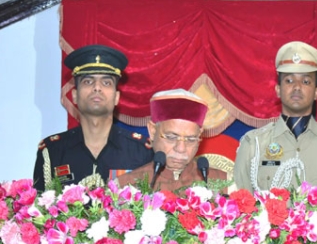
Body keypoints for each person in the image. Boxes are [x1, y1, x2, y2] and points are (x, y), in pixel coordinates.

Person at [234, 41, 317, 197]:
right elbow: (242, 210)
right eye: (289, 80)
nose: (297, 87)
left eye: (306, 81)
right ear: (278, 90)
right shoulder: (253, 145)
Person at [33, 44, 153, 191]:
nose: (97, 87)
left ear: (116, 97)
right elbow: (39, 210)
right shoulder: (53, 151)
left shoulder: (142, 151)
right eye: (88, 82)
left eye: (106, 82)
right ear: (75, 96)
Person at [117, 88, 226, 191]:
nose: (181, 149)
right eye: (171, 137)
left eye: (191, 139)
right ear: (153, 131)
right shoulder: (124, 186)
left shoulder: (224, 184)